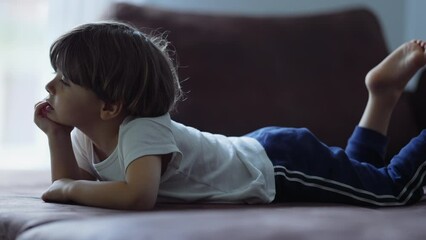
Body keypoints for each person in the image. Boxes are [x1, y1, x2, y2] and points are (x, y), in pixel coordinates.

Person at [34, 21, 426, 210]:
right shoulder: (88, 135)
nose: (51, 86)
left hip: (282, 164)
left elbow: (136, 195)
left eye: (64, 81)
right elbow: (69, 183)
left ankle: (384, 96)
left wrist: (70, 189)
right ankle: (383, 94)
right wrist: (56, 136)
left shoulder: (140, 129)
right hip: (263, 149)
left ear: (110, 106)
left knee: (389, 191)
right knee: (359, 175)